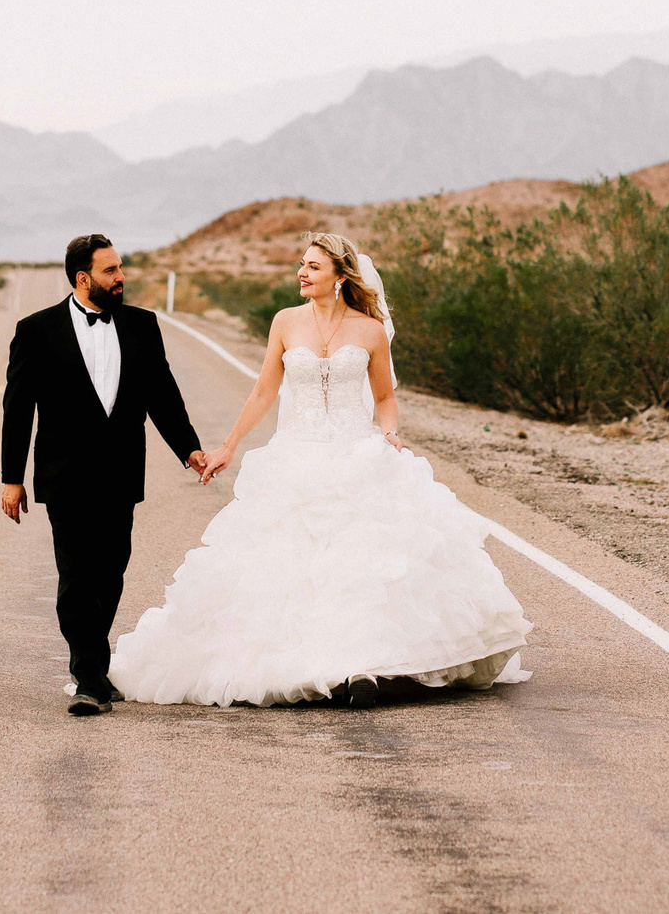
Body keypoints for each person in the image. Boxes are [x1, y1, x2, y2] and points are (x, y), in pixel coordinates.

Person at [109, 232, 530, 708]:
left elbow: (386, 397)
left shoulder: (368, 329)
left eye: (312, 266)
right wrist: (229, 445)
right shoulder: (286, 322)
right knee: (293, 568)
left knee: (359, 567)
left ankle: (362, 667)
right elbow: (265, 391)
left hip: (357, 456)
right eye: (302, 265)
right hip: (297, 457)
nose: (301, 273)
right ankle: (316, 664)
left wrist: (389, 433)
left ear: (339, 275)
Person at [0, 233, 210, 717]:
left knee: (111, 570)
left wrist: (189, 450)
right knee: (76, 574)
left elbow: (162, 394)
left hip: (120, 470)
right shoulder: (37, 330)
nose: (121, 278)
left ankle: (92, 664)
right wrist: (13, 477)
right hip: (64, 473)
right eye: (111, 271)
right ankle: (90, 677)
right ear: (82, 278)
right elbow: (18, 408)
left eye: (120, 268)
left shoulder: (141, 325)